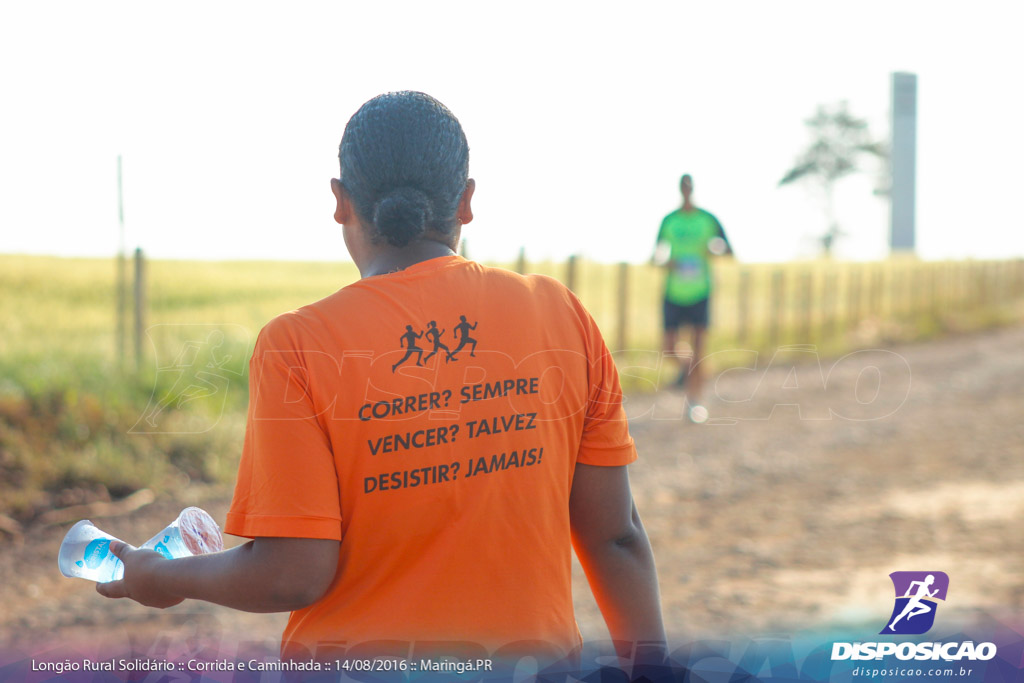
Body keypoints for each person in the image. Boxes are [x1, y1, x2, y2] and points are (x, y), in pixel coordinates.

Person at [97, 91, 665, 669]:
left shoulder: (298, 345)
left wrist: (166, 576)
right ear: (467, 201)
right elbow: (614, 537)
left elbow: (292, 574)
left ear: (340, 202)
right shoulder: (558, 313)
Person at [653, 173, 732, 423]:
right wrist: (669, 262)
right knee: (668, 348)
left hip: (700, 292)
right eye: (683, 187)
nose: (686, 190)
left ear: (692, 189)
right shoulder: (669, 220)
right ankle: (687, 371)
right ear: (680, 189)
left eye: (689, 186)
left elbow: (728, 249)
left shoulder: (708, 220)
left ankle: (695, 404)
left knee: (699, 350)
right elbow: (655, 256)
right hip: (674, 292)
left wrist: (713, 249)